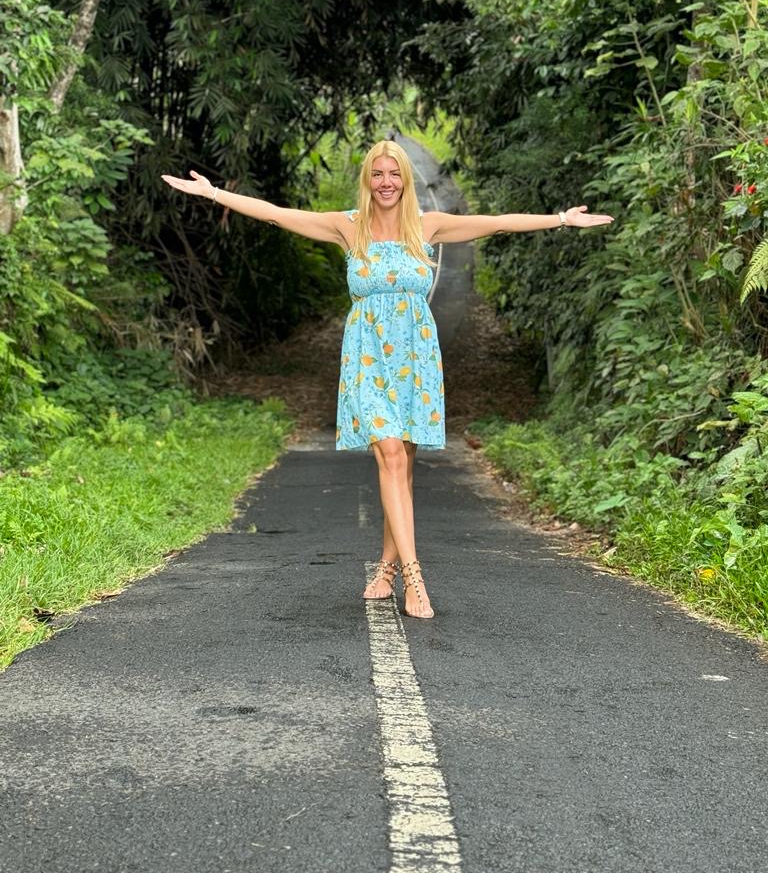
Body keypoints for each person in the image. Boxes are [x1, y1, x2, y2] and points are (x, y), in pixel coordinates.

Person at [161, 140, 613, 620]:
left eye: (394, 174)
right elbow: (276, 214)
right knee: (391, 454)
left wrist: (561, 219)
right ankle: (415, 578)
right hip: (367, 358)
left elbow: (497, 223)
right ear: (367, 179)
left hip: (416, 360)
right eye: (377, 174)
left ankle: (385, 569)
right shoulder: (347, 226)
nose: (386, 182)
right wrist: (214, 194)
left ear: (406, 180)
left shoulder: (427, 226)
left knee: (403, 466)